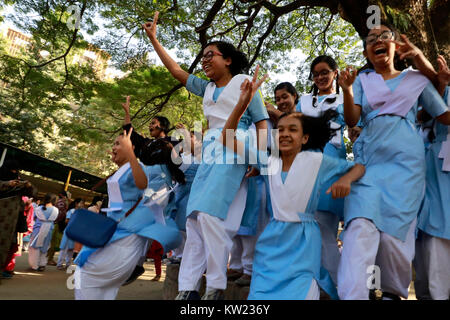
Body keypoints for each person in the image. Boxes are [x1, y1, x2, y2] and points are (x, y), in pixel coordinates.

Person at [143, 12, 269, 300]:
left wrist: (258, 159)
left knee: (211, 216)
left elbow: (261, 121)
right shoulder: (208, 88)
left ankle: (215, 285)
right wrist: (154, 39)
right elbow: (176, 71)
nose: (204, 59)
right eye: (202, 56)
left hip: (235, 147)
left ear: (228, 59)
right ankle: (188, 289)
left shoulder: (244, 81)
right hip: (210, 151)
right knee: (194, 218)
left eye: (210, 54)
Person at [219, 67, 365, 299]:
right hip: (272, 240)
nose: (285, 134)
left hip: (304, 240)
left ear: (305, 138)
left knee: (302, 291)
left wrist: (346, 180)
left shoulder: (317, 160)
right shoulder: (268, 160)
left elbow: (359, 167)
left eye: (293, 130)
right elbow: (226, 137)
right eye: (281, 130)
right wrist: (243, 104)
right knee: (262, 294)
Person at [337, 21, 450, 300]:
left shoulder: (416, 80)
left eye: (383, 36)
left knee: (395, 235)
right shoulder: (362, 81)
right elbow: (352, 119)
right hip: (369, 164)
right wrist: (348, 91)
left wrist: (439, 77)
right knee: (360, 223)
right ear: (366, 52)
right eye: (370, 38)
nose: (377, 40)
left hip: (408, 166)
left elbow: (444, 115)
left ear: (395, 46)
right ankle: (354, 294)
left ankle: (391, 291)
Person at [73, 129, 182, 300]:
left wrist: (131, 154)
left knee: (87, 276)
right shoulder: (121, 170)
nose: (114, 148)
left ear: (131, 148)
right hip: (114, 233)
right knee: (93, 281)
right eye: (114, 144)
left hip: (126, 236)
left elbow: (142, 183)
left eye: (119, 144)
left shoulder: (137, 168)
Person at [414, 55, 450, 300]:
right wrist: (442, 86)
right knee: (436, 232)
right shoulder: (441, 92)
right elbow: (425, 116)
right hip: (436, 169)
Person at [28, 193, 59, 272]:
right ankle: (42, 264)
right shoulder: (56, 210)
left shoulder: (38, 209)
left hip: (38, 230)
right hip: (49, 230)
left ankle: (34, 265)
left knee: (35, 248)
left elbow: (33, 217)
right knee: (45, 247)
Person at [57, 198, 85, 270]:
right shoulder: (71, 211)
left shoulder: (81, 212)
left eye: (83, 203)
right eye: (81, 203)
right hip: (69, 231)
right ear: (76, 204)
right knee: (64, 248)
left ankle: (68, 264)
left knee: (71, 249)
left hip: (75, 232)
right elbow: (67, 220)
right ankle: (59, 264)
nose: (82, 205)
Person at [47, 190, 69, 266]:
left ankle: (48, 258)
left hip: (52, 223)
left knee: (50, 242)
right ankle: (49, 259)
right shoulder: (62, 203)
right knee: (54, 242)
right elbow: (61, 215)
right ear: (64, 196)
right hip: (57, 224)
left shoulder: (57, 202)